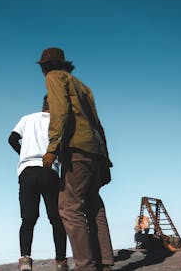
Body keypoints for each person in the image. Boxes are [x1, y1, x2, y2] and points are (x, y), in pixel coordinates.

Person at [38, 47, 113, 271]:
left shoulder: (54, 77)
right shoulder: (83, 86)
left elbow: (60, 111)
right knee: (93, 204)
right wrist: (106, 158)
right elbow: (97, 123)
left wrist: (52, 148)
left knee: (69, 207)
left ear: (45, 67)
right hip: (94, 150)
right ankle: (106, 261)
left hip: (76, 148)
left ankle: (86, 266)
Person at [8, 95, 68, 271]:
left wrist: (24, 154)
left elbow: (11, 139)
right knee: (56, 218)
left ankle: (25, 261)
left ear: (43, 105)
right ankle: (60, 261)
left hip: (27, 171)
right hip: (49, 171)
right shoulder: (58, 123)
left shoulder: (27, 119)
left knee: (28, 219)